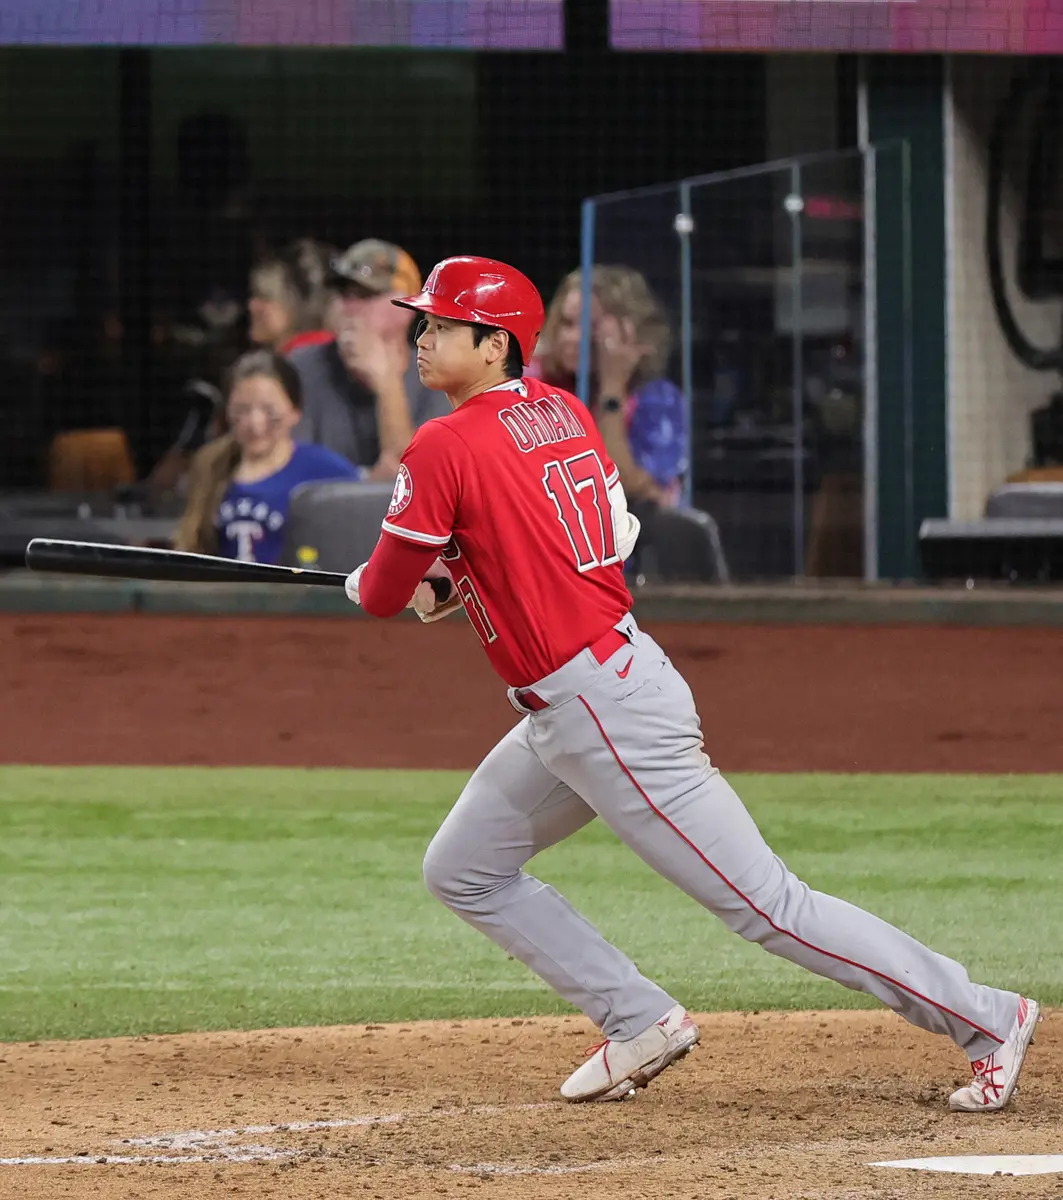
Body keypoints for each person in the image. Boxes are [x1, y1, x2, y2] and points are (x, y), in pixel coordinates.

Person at [343, 255, 1038, 1112]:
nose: (422, 336)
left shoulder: (443, 441)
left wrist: (385, 578)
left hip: (601, 711)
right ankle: (635, 1017)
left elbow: (382, 594)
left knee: (770, 907)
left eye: (442, 325)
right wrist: (450, 576)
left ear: (494, 346)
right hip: (592, 694)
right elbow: (555, 543)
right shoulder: (559, 411)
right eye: (425, 321)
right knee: (464, 868)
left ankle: (985, 1017)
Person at [174, 349, 359, 563]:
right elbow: (191, 547)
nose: (255, 424)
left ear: (294, 411)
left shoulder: (328, 472)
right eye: (241, 411)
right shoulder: (210, 464)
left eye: (270, 411)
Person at [289, 239, 450, 480]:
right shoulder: (300, 368)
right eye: (345, 295)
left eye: (366, 295)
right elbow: (284, 474)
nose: (351, 308)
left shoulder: (441, 376)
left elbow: (420, 484)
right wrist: (363, 487)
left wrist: (387, 384)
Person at [531, 265, 687, 508]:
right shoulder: (532, 382)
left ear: (631, 332)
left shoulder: (657, 400)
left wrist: (612, 388)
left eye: (590, 327)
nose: (573, 338)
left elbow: (626, 486)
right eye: (567, 323)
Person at [248, 238, 337, 356]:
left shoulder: (316, 362)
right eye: (254, 296)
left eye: (265, 298)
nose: (252, 305)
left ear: (295, 303)